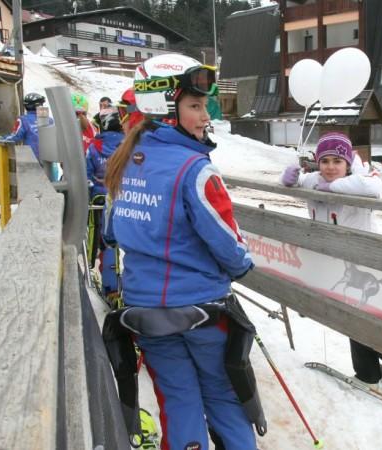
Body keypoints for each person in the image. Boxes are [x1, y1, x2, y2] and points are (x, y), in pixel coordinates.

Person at [103, 53, 264, 450]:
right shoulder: (196, 170)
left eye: (204, 105)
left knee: (178, 403)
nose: (205, 115)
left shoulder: (122, 163)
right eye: (195, 106)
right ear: (166, 112)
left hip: (145, 315)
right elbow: (231, 251)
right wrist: (243, 260)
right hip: (202, 313)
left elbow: (110, 233)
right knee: (225, 400)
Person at [280, 132, 382, 391]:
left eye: (337, 162)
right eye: (325, 161)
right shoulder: (315, 180)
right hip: (334, 261)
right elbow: (295, 180)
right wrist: (288, 177)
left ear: (348, 163)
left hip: (363, 260)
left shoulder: (360, 180)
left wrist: (334, 188)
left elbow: (375, 188)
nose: (330, 168)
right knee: (354, 314)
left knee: (359, 313)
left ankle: (371, 373)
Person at [86, 110, 123, 294]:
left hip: (99, 200)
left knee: (104, 240)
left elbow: (86, 172)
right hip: (123, 199)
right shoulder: (129, 145)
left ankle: (109, 286)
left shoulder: (94, 146)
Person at [3, 92, 54, 160]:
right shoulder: (49, 120)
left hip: (32, 157)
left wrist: (2, 139)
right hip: (49, 158)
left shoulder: (23, 120)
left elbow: (15, 137)